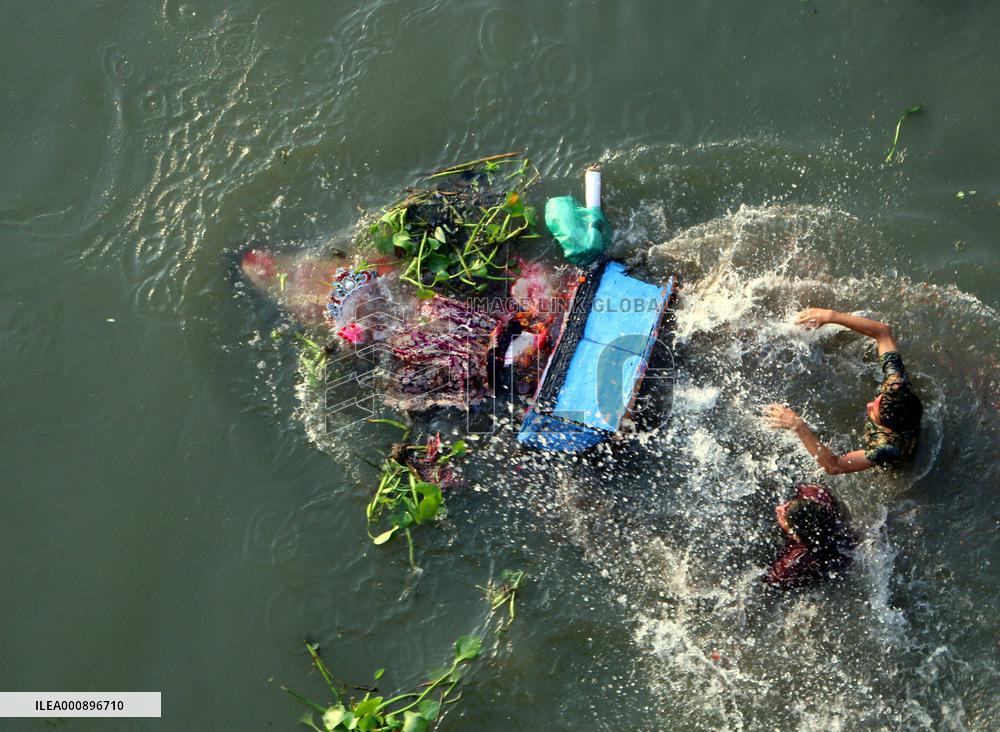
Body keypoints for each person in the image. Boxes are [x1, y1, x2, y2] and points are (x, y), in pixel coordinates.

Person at [762, 308, 923, 474]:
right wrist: (831, 316)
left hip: (896, 461)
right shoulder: (896, 385)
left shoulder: (886, 446)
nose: (868, 405)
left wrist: (798, 425)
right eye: (877, 400)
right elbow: (883, 332)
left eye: (873, 411)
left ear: (887, 428)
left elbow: (834, 466)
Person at [764, 482, 857, 590]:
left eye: (784, 515)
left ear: (795, 535)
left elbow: (772, 580)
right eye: (788, 505)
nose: (779, 508)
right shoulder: (818, 496)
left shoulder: (794, 561)